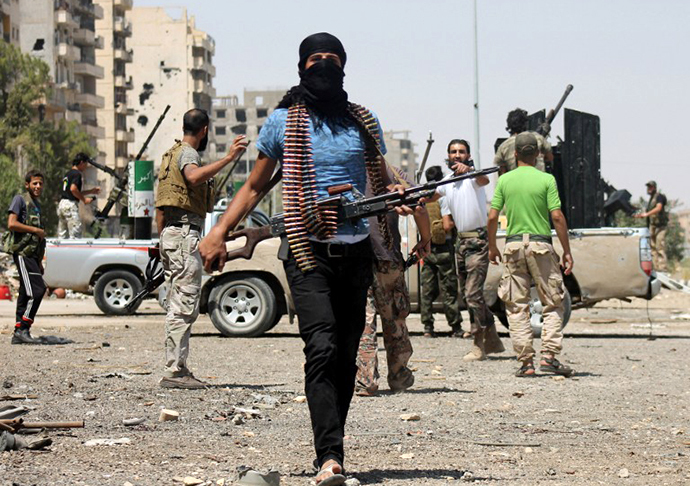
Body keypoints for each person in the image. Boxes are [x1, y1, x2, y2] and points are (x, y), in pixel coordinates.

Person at [198, 33, 428, 485]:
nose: (324, 66)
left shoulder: (363, 120)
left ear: (344, 67)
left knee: (345, 355)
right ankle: (330, 455)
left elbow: (380, 174)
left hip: (356, 250)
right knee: (321, 346)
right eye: (315, 59)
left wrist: (398, 193)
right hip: (307, 252)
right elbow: (254, 187)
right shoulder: (284, 122)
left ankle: (331, 445)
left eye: (332, 59)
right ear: (302, 66)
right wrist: (219, 233)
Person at [155, 108, 247, 389]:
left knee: (176, 303)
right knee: (184, 305)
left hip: (172, 233)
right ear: (204, 130)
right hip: (183, 235)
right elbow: (194, 178)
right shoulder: (188, 155)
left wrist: (163, 240)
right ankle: (175, 371)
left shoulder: (169, 156)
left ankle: (176, 367)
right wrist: (229, 158)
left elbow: (162, 204)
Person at [487, 132, 574, 378]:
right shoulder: (547, 179)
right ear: (537, 154)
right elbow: (556, 216)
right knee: (553, 302)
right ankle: (549, 356)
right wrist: (566, 251)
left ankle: (526, 363)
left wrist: (492, 246)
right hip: (540, 245)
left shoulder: (505, 180)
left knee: (516, 306)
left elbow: (492, 216)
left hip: (513, 246)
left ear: (515, 154)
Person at [355, 167, 431, 397]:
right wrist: (425, 238)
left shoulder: (344, 170)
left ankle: (365, 380)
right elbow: (419, 207)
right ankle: (398, 375)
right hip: (386, 256)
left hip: (354, 256)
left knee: (363, 320)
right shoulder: (393, 173)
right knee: (395, 317)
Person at [429, 140, 505, 362]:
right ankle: (487, 336)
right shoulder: (447, 182)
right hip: (460, 244)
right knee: (469, 295)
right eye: (453, 151)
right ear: (448, 155)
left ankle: (478, 342)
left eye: (461, 152)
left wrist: (470, 170)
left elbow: (484, 179)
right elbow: (431, 196)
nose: (457, 155)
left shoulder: (474, 176)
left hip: (478, 242)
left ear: (468, 155)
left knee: (472, 295)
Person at [419, 165, 464, 338]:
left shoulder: (423, 198)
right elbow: (446, 225)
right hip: (444, 249)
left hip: (427, 248)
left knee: (427, 290)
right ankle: (455, 327)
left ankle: (428, 327)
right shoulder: (442, 197)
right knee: (449, 290)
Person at [7, 170, 47, 344]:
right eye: (34, 183)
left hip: (32, 255)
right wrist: (35, 230)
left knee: (25, 291)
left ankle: (19, 332)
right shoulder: (20, 199)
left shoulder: (37, 205)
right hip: (22, 253)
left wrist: (39, 262)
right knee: (37, 290)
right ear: (27, 185)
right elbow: (12, 224)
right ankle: (24, 327)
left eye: (40, 184)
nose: (38, 186)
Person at [493, 108, 553, 174]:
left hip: (516, 182)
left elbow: (501, 169)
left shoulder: (503, 146)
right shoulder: (538, 138)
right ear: (525, 123)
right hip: (539, 179)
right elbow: (550, 157)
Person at [57, 153, 100, 239]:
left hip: (62, 205)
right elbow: (73, 189)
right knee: (75, 235)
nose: (86, 166)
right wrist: (84, 200)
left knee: (62, 236)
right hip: (70, 206)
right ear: (81, 162)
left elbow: (73, 191)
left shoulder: (68, 174)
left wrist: (91, 191)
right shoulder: (77, 174)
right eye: (86, 164)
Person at [635, 181, 668, 272]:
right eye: (648, 187)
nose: (649, 189)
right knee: (652, 248)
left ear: (654, 187)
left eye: (651, 187)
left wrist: (647, 214)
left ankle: (662, 268)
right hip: (652, 226)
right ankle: (656, 268)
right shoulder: (650, 200)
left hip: (660, 226)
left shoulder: (659, 197)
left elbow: (659, 208)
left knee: (660, 247)